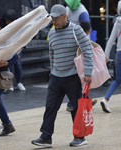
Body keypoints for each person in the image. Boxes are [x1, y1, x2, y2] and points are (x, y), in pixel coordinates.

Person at [31, 4, 93, 147]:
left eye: (57, 18)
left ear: (65, 16)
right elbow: (51, 53)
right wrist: (53, 71)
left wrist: (88, 73)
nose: (54, 21)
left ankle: (80, 137)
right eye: (52, 19)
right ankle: (46, 137)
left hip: (72, 76)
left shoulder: (76, 30)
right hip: (56, 77)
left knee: (76, 108)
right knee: (50, 107)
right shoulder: (52, 32)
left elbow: (88, 50)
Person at [64, 0, 97, 112]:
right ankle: (78, 100)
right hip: (71, 46)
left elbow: (87, 29)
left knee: (80, 74)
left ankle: (82, 99)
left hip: (80, 47)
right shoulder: (68, 9)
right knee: (77, 74)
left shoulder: (82, 12)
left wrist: (89, 44)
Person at [101, 1, 121, 113]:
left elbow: (111, 39)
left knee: (118, 79)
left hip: (119, 53)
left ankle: (105, 99)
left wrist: (106, 55)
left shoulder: (117, 22)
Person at [0, 9, 26, 94]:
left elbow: (23, 37)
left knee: (17, 64)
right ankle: (9, 84)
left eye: (9, 21)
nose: (7, 22)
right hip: (9, 48)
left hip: (18, 48)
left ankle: (19, 82)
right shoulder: (4, 27)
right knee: (9, 65)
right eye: (6, 21)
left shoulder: (19, 27)